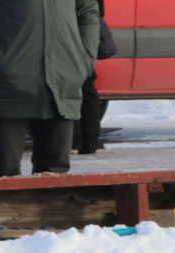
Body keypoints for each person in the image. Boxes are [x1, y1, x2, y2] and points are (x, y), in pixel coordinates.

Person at [0, 0, 100, 177]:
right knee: (3, 177)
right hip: (10, 85)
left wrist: (85, 60)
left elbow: (88, 11)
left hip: (61, 82)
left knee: (55, 181)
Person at [75, 0, 116, 155]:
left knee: (81, 89)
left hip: (73, 30)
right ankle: (87, 143)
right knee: (86, 87)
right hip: (85, 29)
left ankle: (78, 142)